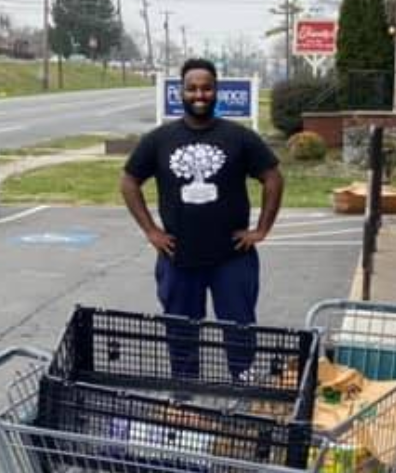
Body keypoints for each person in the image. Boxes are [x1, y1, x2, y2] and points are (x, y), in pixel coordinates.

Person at [120, 57, 283, 332]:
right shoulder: (159, 139)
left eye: (206, 88)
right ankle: (184, 378)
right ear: (180, 92)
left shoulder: (239, 137)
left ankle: (242, 376)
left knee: (240, 335)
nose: (199, 95)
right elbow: (128, 181)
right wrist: (151, 231)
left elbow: (273, 177)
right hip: (178, 258)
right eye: (192, 88)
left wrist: (261, 230)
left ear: (216, 90)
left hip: (233, 258)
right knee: (182, 338)